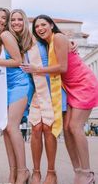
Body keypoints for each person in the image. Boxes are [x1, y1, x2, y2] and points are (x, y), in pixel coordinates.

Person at [22, 14, 98, 184]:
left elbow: (63, 67)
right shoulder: (48, 42)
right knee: (66, 128)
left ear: (51, 25)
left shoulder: (59, 38)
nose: (40, 28)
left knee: (75, 127)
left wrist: (37, 69)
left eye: (43, 25)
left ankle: (87, 172)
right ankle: (78, 171)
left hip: (83, 84)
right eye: (37, 27)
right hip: (70, 87)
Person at [0, 9, 32, 184]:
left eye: (4, 18)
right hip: (5, 86)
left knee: (11, 127)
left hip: (19, 84)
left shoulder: (7, 35)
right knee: (6, 129)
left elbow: (17, 61)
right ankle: (13, 172)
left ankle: (23, 171)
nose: (0, 20)